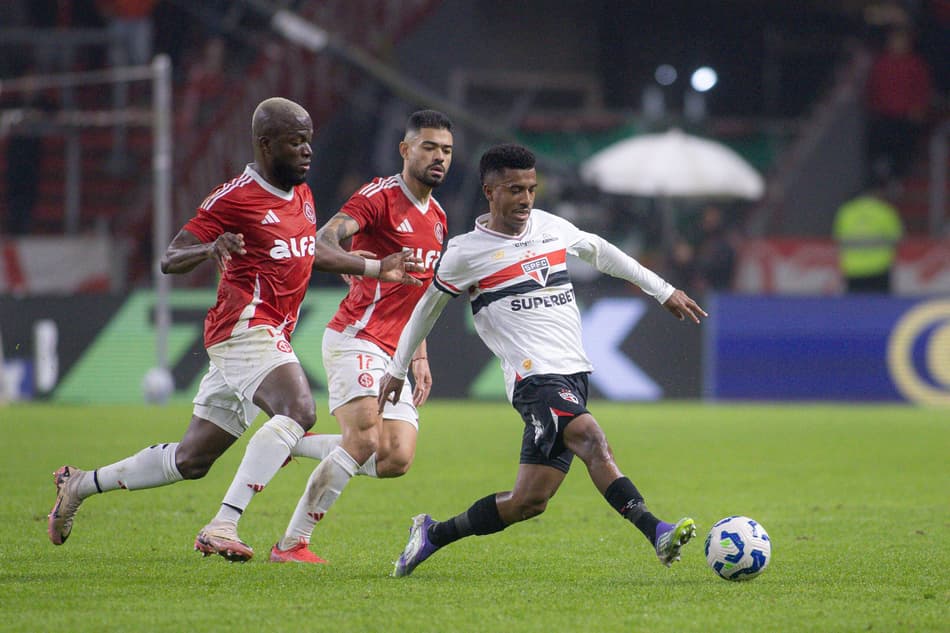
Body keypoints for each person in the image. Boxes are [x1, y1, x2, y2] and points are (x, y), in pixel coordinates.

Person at [47, 97, 422, 556]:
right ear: (266, 145)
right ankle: (223, 524)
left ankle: (80, 485)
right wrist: (209, 250)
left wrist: (373, 266)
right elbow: (170, 258)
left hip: (269, 334)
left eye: (309, 141)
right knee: (298, 411)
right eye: (295, 141)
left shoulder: (301, 194)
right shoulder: (235, 197)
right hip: (244, 326)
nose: (307, 151)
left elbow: (311, 253)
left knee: (192, 459)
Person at [378, 144, 707, 577]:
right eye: (515, 190)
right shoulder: (465, 252)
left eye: (531, 189)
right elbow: (426, 310)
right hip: (534, 381)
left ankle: (431, 534)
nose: (526, 199)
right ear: (489, 192)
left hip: (573, 372)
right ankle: (656, 530)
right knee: (591, 438)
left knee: (527, 502)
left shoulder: (549, 227)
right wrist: (398, 367)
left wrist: (661, 289)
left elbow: (601, 251)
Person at [266, 109, 454, 564]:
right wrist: (369, 267)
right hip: (356, 336)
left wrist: (419, 356)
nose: (439, 158)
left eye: (446, 151)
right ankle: (291, 544)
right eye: (428, 147)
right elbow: (321, 242)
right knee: (365, 439)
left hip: (396, 352)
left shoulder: (439, 218)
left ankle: (290, 442)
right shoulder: (378, 197)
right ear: (406, 150)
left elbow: (421, 295)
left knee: (394, 458)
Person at [833, 182, 904, 293]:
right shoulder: (885, 211)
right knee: (881, 307)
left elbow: (839, 240)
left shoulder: (846, 211)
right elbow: (898, 238)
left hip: (853, 269)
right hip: (880, 268)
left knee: (855, 307)